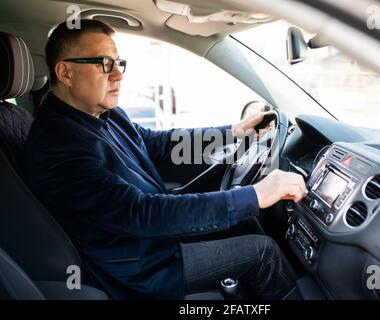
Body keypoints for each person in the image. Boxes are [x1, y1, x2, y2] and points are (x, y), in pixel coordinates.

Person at [24, 19, 308, 299]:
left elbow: (155, 144)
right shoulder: (57, 144)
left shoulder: (102, 114)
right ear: (66, 72)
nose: (118, 75)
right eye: (104, 64)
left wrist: (233, 133)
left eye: (119, 64)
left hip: (151, 242)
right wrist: (257, 194)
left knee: (245, 222)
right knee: (263, 253)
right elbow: (138, 213)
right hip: (139, 269)